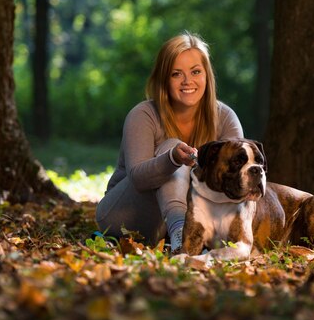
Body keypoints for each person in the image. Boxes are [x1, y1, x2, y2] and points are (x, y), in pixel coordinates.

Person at [95, 32, 244, 252]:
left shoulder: (225, 117)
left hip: (195, 216)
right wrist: (172, 159)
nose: (187, 81)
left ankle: (183, 234)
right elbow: (137, 179)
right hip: (126, 213)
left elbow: (238, 176)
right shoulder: (143, 114)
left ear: (207, 76)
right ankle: (180, 232)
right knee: (171, 146)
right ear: (164, 79)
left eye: (195, 72)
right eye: (176, 74)